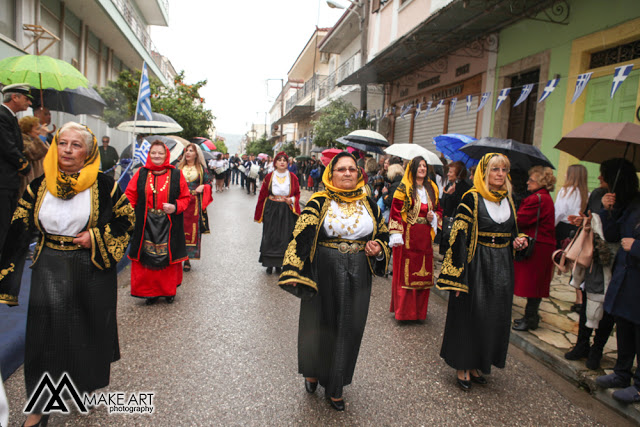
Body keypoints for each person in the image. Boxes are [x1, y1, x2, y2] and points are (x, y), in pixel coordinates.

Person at [0, 122, 134, 426]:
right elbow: (19, 229)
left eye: (76, 145)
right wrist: (6, 277)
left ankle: (80, 386)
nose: (68, 150)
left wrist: (95, 237)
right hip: (49, 265)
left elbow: (126, 221)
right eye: (63, 143)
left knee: (84, 333)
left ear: (88, 152)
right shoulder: (39, 185)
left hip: (90, 269)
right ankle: (40, 408)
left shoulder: (104, 186)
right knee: (43, 336)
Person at [278, 152, 390, 411]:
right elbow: (301, 234)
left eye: (352, 169)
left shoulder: (370, 204)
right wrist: (293, 270)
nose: (348, 173)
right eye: (342, 169)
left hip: (359, 270)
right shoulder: (318, 201)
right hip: (324, 268)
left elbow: (383, 233)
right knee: (318, 322)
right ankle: (312, 371)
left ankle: (336, 384)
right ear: (332, 174)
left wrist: (379, 249)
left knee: (350, 325)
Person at [437, 153, 529, 391]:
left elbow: (513, 232)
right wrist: (458, 277)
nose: (500, 174)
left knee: (492, 317)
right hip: (476, 264)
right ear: (485, 172)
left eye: (503, 170)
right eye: (495, 169)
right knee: (471, 315)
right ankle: (462, 366)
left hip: (502, 267)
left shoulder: (508, 200)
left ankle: (479, 363)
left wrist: (519, 241)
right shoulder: (471, 198)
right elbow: (457, 237)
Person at [595, 158, 640, 404]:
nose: (601, 181)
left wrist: (637, 247)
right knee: (623, 326)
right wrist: (607, 210)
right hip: (624, 277)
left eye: (604, 177)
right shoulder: (630, 203)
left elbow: (631, 241)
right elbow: (612, 235)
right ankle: (622, 374)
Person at [564, 161, 615, 370]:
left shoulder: (629, 202)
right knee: (586, 300)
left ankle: (597, 349)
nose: (600, 177)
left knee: (606, 306)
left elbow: (613, 232)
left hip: (610, 260)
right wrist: (582, 220)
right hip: (590, 255)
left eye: (603, 174)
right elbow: (588, 215)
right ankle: (582, 344)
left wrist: (608, 210)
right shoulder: (596, 194)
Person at [125, 141, 190, 305]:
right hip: (145, 223)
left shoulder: (176, 174)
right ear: (149, 154)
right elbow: (130, 196)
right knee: (146, 256)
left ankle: (168, 291)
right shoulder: (140, 173)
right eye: (153, 153)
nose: (157, 156)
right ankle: (150, 292)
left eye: (160, 153)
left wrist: (175, 207)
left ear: (166, 154)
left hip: (169, 223)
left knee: (167, 257)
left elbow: (185, 198)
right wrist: (127, 215)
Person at [388, 156, 442, 321]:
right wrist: (396, 234)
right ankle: (405, 313)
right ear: (412, 168)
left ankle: (419, 313)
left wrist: (434, 217)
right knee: (406, 273)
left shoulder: (432, 187)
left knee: (423, 274)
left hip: (425, 236)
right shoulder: (404, 188)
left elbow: (439, 209)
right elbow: (395, 211)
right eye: (419, 166)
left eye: (424, 166)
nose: (422, 169)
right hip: (408, 235)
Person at [512, 166, 556, 331]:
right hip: (543, 245)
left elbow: (521, 220)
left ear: (540, 182)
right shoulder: (544, 197)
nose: (528, 182)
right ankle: (530, 317)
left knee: (533, 285)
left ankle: (530, 318)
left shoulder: (536, 199)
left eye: (532, 180)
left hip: (537, 247)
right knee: (536, 285)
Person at [254, 151, 301, 274]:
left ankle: (280, 264)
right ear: (275, 163)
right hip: (272, 208)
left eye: (284, 160)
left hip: (286, 209)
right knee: (270, 235)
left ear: (287, 163)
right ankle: (269, 264)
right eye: (279, 160)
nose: (282, 162)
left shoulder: (293, 177)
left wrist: (291, 200)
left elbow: (297, 193)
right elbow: (263, 194)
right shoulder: (269, 177)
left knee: (284, 236)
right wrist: (260, 212)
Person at [0, 84, 32, 253]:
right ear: (15, 97)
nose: (29, 103)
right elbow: (7, 146)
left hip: (9, 181)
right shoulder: (2, 116)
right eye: (26, 98)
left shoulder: (10, 117)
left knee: (7, 225)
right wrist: (24, 165)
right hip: (3, 182)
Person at [555, 164, 588, 312]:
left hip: (563, 227)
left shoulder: (565, 191)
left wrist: (552, 226)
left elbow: (560, 212)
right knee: (577, 263)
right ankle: (579, 297)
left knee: (557, 257)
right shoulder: (587, 193)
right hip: (578, 228)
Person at [178, 143, 213, 272]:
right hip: (181, 202)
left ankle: (187, 258)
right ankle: (179, 257)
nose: (188, 153)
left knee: (192, 230)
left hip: (195, 204)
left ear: (196, 154)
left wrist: (203, 186)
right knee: (178, 228)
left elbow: (209, 182)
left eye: (191, 151)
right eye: (186, 151)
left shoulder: (202, 169)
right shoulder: (178, 167)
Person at [439, 161, 471, 256]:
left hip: (456, 226)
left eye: (451, 172)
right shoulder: (449, 185)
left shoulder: (464, 188)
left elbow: (460, 206)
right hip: (447, 222)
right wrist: (447, 193)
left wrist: (453, 195)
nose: (448, 174)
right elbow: (443, 204)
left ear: (458, 174)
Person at [18, 116, 49, 196]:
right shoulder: (22, 141)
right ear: (28, 130)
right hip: (28, 180)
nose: (39, 131)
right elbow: (33, 153)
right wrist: (42, 137)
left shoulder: (36, 140)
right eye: (37, 129)